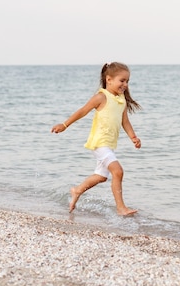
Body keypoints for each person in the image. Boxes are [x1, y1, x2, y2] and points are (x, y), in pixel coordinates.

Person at [51, 62, 142, 216]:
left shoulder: (121, 100)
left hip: (109, 144)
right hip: (99, 143)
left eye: (127, 81)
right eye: (122, 80)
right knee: (118, 171)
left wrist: (133, 137)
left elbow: (124, 121)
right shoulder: (101, 97)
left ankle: (77, 190)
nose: (125, 84)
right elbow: (82, 111)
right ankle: (121, 208)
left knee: (101, 177)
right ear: (109, 79)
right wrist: (65, 125)